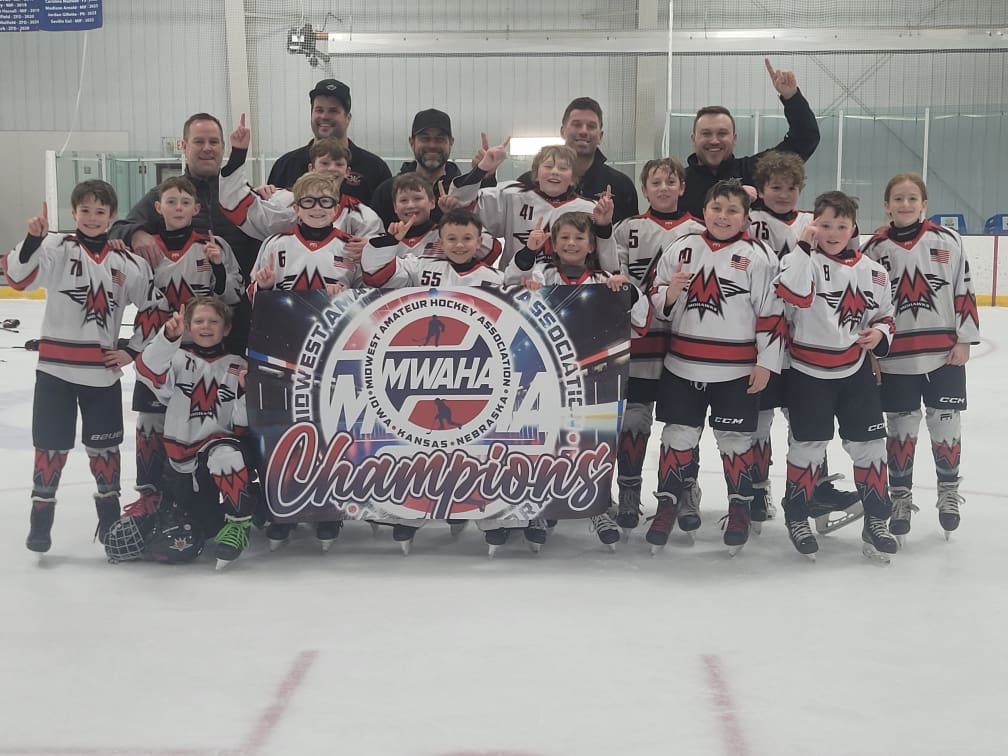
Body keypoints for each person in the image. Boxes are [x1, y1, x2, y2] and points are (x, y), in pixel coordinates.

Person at [2, 183, 167, 553]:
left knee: (104, 449)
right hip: (55, 371)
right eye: (85, 211)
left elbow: (154, 307)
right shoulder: (56, 247)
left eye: (100, 211)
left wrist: (133, 350)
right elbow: (19, 278)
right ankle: (41, 516)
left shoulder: (127, 262)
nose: (92, 218)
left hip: (101, 373)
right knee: (50, 446)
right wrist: (33, 239)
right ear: (74, 212)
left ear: (112, 216)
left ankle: (108, 520)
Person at [647, 181, 784, 555]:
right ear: (704, 210)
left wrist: (765, 363)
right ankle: (667, 505)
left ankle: (740, 508)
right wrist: (670, 294)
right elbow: (655, 296)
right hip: (683, 366)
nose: (723, 216)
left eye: (732, 210)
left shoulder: (759, 256)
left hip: (735, 371)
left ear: (746, 217)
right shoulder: (682, 247)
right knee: (677, 437)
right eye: (716, 208)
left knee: (735, 441)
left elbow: (772, 314)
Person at [505, 210, 652, 551]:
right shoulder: (540, 274)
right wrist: (525, 287)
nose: (571, 243)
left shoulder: (605, 279)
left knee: (592, 442)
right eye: (564, 238)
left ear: (591, 245)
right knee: (545, 442)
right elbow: (507, 292)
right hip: (544, 377)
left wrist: (625, 292)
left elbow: (641, 322)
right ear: (554, 244)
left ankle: (597, 506)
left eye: (579, 238)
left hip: (595, 378)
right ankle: (542, 507)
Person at [361, 208, 505, 554]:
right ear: (440, 240)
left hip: (473, 372)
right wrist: (388, 243)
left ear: (480, 241)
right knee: (422, 440)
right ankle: (413, 510)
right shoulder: (420, 267)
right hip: (423, 371)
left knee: (475, 442)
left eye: (467, 238)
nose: (459, 244)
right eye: (451, 238)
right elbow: (376, 276)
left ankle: (488, 515)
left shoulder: (494, 278)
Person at [774, 191, 899, 562]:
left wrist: (880, 334)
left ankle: (876, 520)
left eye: (841, 226)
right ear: (813, 225)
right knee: (808, 447)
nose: (832, 233)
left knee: (871, 447)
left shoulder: (873, 272)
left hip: (854, 372)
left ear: (853, 228)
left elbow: (886, 315)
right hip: (807, 373)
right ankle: (798, 516)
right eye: (825, 225)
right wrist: (803, 245)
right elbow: (793, 294)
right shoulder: (801, 261)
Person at [861, 173, 980, 543]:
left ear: (924, 204)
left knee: (946, 426)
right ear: (886, 205)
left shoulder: (948, 240)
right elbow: (866, 305)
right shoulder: (874, 249)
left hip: (944, 355)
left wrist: (965, 339)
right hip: (895, 359)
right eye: (898, 198)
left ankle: (948, 492)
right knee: (900, 430)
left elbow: (964, 289)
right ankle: (900, 497)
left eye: (913, 198)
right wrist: (873, 355)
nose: (905, 204)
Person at [748, 151, 862, 533]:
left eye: (791, 187)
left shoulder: (814, 222)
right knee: (760, 421)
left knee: (805, 422)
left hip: (803, 341)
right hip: (762, 337)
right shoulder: (750, 219)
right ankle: (757, 490)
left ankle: (816, 488)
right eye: (775, 187)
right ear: (762, 188)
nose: (783, 194)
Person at [248, 171, 360, 551]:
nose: (317, 208)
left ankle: (327, 508)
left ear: (337, 207)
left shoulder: (350, 246)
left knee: (329, 426)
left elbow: (370, 301)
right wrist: (262, 288)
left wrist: (347, 298)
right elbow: (253, 296)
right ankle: (284, 508)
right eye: (308, 201)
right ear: (296, 206)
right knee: (282, 427)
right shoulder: (276, 244)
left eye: (325, 201)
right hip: (282, 352)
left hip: (332, 353)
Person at [128, 176, 244, 520]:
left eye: (185, 202)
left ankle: (192, 497)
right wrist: (129, 348)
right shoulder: (143, 249)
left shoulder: (213, 245)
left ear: (196, 208)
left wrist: (218, 266)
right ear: (158, 207)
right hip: (158, 350)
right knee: (150, 420)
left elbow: (234, 295)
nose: (178, 208)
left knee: (196, 422)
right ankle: (150, 494)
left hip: (202, 351)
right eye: (171, 202)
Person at [110, 112, 258, 352]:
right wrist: (137, 234)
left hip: (238, 318)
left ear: (223, 147)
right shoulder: (169, 194)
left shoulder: (240, 193)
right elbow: (118, 229)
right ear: (184, 146)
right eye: (199, 141)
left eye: (213, 142)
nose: (207, 148)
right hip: (179, 328)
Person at [611, 158, 704, 535]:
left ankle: (684, 489)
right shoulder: (627, 229)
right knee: (634, 418)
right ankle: (629, 490)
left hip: (687, 342)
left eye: (671, 181)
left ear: (683, 187)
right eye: (656, 182)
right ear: (644, 189)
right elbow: (615, 277)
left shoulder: (701, 230)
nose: (663, 188)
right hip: (641, 341)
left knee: (686, 423)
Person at [132, 296, 259, 569]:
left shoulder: (238, 365)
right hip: (182, 459)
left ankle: (239, 522)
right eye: (199, 321)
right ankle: (244, 509)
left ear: (226, 328)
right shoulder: (177, 359)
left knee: (225, 454)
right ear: (188, 327)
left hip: (221, 447)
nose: (206, 326)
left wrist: (247, 392)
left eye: (214, 321)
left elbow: (242, 425)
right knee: (205, 526)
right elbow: (145, 369)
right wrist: (168, 338)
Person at [681, 59, 820, 218]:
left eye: (722, 133)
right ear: (693, 139)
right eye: (706, 133)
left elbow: (805, 138)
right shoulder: (677, 183)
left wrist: (791, 97)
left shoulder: (756, 171)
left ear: (734, 138)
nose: (714, 140)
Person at [450, 141, 618, 271]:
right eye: (548, 166)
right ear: (536, 174)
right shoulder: (512, 196)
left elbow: (608, 263)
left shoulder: (589, 208)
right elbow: (460, 203)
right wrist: (482, 169)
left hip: (571, 291)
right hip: (516, 289)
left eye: (563, 168)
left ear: (573, 179)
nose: (555, 171)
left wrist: (604, 227)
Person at [220, 115, 382, 240]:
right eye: (325, 163)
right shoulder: (284, 202)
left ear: (347, 171)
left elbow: (380, 255)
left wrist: (369, 248)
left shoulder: (362, 216)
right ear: (311, 168)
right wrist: (238, 154)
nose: (332, 169)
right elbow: (238, 206)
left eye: (339, 164)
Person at [267, 79, 392, 205]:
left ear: (348, 118)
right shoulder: (286, 165)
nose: (324, 116)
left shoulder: (375, 169)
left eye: (333, 111)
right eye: (319, 110)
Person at [517, 97, 639, 223]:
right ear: (562, 131)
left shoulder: (621, 186)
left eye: (591, 126)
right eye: (577, 124)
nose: (583, 131)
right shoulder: (528, 183)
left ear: (600, 136)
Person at [370, 109, 497, 228]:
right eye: (425, 138)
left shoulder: (464, 190)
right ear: (412, 142)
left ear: (451, 142)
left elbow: (489, 226)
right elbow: (374, 234)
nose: (432, 145)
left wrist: (485, 177)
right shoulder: (388, 191)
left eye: (440, 139)